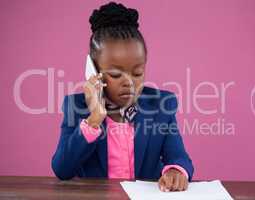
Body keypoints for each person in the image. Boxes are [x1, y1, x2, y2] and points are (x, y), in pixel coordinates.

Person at [52, 1, 193, 192]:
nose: (129, 82)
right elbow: (62, 168)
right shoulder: (76, 107)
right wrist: (94, 120)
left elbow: (178, 156)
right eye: (116, 74)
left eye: (137, 73)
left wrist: (176, 171)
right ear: (93, 71)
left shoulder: (161, 106)